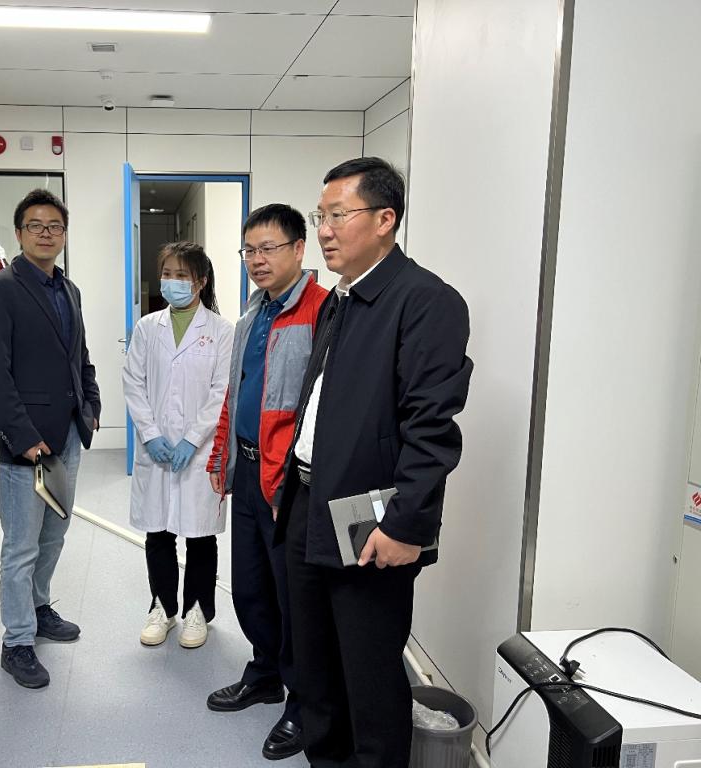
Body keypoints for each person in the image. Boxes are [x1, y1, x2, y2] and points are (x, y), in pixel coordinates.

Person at [273, 158, 473, 767]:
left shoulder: (426, 301)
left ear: (385, 220)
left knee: (367, 670)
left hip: (369, 515)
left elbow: (431, 430)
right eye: (321, 216)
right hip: (309, 500)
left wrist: (404, 525)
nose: (324, 230)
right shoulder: (342, 299)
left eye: (338, 215)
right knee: (315, 665)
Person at [205, 204, 327, 761]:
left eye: (268, 248)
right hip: (250, 468)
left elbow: (319, 409)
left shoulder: (322, 311)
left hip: (290, 479)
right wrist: (223, 455)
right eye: (249, 250)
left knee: (293, 594)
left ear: (299, 249)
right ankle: (264, 674)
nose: (256, 260)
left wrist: (289, 482)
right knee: (251, 584)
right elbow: (237, 391)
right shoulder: (252, 314)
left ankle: (303, 701)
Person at [0, 188, 101, 690]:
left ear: (64, 234)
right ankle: (17, 642)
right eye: (36, 225)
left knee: (54, 535)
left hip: (67, 434)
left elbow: (79, 357)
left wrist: (90, 406)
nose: (46, 233)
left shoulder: (69, 290)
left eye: (55, 226)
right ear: (19, 233)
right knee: (22, 546)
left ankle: (39, 607)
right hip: (27, 445)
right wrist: (21, 435)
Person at [122, 241, 233, 650]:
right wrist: (151, 434)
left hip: (200, 452)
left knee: (200, 535)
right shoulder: (147, 327)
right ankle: (163, 607)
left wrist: (191, 439)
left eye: (181, 275)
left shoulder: (222, 331)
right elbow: (133, 382)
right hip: (155, 449)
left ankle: (197, 610)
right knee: (158, 532)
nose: (172, 282)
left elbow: (222, 391)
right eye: (167, 274)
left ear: (200, 281)